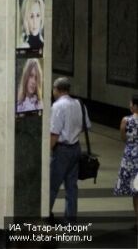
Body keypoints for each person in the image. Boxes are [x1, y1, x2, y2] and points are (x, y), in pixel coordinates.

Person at [50, 77, 90, 221]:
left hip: (61, 150)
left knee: (52, 186)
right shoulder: (79, 104)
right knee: (71, 187)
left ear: (57, 89)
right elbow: (86, 126)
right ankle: (70, 222)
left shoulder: (57, 106)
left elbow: (54, 132)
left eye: (53, 89)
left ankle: (43, 218)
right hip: (76, 148)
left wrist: (49, 150)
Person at [114, 95, 138, 228]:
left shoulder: (126, 120)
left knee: (136, 191)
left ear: (135, 106)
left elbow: (123, 137)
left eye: (131, 104)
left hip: (131, 156)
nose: (129, 106)